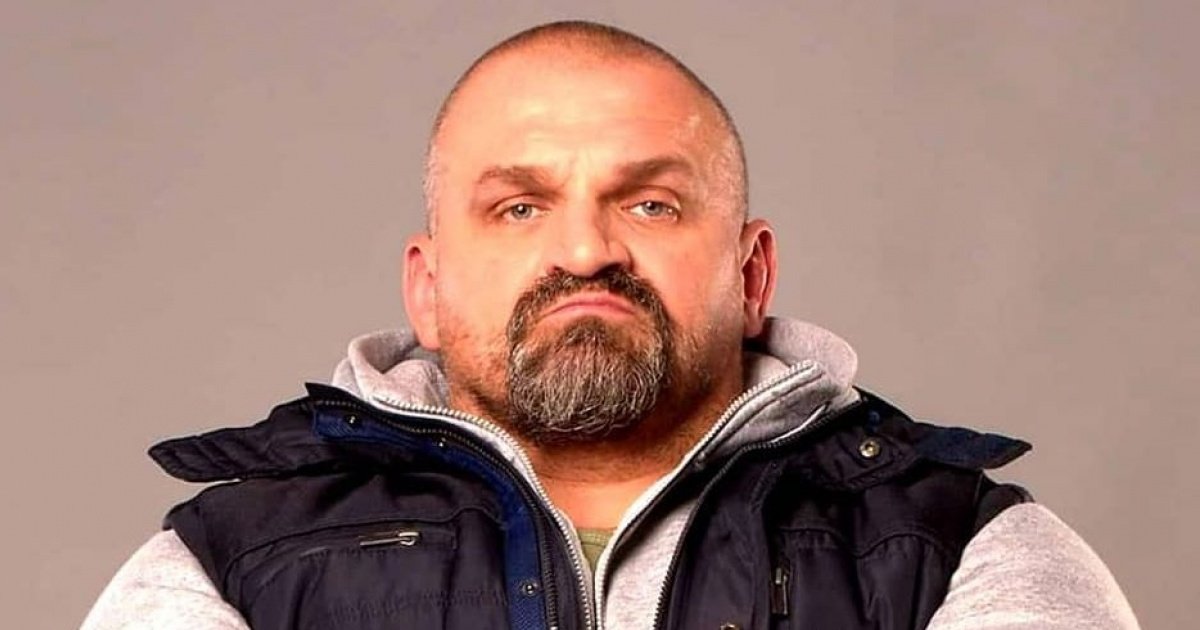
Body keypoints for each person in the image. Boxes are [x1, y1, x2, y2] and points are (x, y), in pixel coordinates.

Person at [83, 21, 1139, 630]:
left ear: (751, 271)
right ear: (428, 287)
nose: (586, 249)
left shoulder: (964, 550)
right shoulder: (228, 565)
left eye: (651, 204)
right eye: (519, 207)